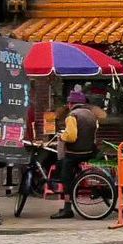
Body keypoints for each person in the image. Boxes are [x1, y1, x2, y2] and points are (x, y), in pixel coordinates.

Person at [51, 89, 100, 218]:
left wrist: (62, 136)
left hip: (75, 153)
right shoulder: (91, 114)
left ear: (71, 104)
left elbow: (71, 137)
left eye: (68, 103)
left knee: (65, 172)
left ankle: (67, 208)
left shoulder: (72, 116)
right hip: (89, 151)